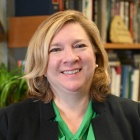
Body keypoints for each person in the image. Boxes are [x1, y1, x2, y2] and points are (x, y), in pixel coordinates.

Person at [0, 10, 140, 140]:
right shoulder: (8, 123)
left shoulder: (134, 116)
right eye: (55, 49)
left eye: (79, 46)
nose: (70, 58)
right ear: (41, 63)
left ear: (96, 56)